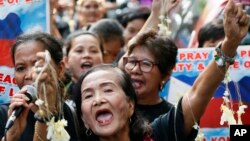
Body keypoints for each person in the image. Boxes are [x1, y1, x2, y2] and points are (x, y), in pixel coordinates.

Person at [73, 0, 250, 140]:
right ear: (83, 119)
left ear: (130, 105)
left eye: (107, 90)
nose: (98, 99)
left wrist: (229, 45)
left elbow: (198, 93)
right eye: (88, 95)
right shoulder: (73, 133)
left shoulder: (159, 133)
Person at [1, 32, 79, 141]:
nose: (29, 75)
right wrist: (11, 136)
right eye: (20, 68)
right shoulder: (6, 116)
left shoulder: (75, 113)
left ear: (60, 69)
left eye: (38, 66)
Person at [63, 30, 104, 100]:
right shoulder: (60, 97)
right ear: (66, 61)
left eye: (94, 51)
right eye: (79, 51)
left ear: (103, 59)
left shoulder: (113, 92)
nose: (87, 55)